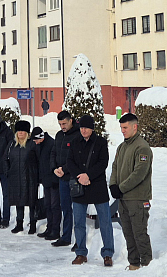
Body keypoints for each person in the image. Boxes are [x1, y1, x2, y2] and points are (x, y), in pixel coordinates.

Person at [64, 115, 114, 267]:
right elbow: (69, 162)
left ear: (92, 128)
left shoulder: (100, 142)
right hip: (80, 186)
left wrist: (88, 175)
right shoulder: (74, 142)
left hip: (97, 185)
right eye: (82, 128)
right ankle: (80, 253)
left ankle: (107, 253)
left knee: (105, 221)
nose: (84, 130)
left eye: (86, 128)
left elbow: (103, 162)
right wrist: (80, 176)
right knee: (78, 222)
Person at [109, 112, 153, 270]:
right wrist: (113, 185)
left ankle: (147, 264)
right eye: (121, 128)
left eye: (125, 127)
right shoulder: (122, 147)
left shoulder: (142, 147)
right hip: (123, 198)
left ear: (135, 127)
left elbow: (139, 173)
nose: (123, 131)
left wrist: (120, 188)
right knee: (128, 232)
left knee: (139, 233)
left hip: (138, 199)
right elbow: (115, 167)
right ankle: (134, 262)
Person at [49, 110, 78, 247]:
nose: (62, 126)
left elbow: (76, 158)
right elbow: (54, 152)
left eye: (64, 123)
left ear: (70, 120)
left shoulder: (77, 135)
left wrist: (64, 169)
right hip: (61, 177)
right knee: (65, 207)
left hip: (73, 177)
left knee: (77, 209)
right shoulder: (59, 135)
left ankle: (79, 239)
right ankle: (66, 236)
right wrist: (54, 168)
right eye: (60, 124)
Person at [5, 120, 39, 234]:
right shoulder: (11, 144)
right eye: (18, 131)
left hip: (30, 177)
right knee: (19, 201)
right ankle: (19, 223)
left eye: (23, 131)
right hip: (15, 177)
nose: (20, 133)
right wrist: (8, 171)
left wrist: (36, 175)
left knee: (31, 201)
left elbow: (38, 160)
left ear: (27, 133)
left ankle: (33, 224)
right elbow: (5, 159)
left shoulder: (32, 144)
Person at [34, 127, 60, 241]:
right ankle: (49, 228)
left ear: (40, 137)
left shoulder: (51, 143)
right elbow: (41, 164)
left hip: (53, 181)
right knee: (47, 206)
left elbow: (54, 162)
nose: (35, 142)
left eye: (36, 140)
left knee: (54, 206)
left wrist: (55, 180)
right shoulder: (40, 145)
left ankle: (55, 230)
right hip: (46, 180)